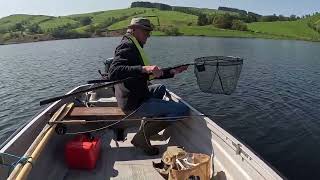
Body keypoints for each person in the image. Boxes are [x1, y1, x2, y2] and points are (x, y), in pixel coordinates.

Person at [108, 17, 189, 155]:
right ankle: (141, 137)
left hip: (135, 93)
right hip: (133, 102)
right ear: (134, 30)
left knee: (160, 88)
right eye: (145, 31)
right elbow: (114, 72)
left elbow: (150, 73)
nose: (148, 35)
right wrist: (144, 69)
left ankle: (147, 127)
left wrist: (173, 71)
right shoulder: (127, 46)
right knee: (183, 110)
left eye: (149, 32)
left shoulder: (133, 45)